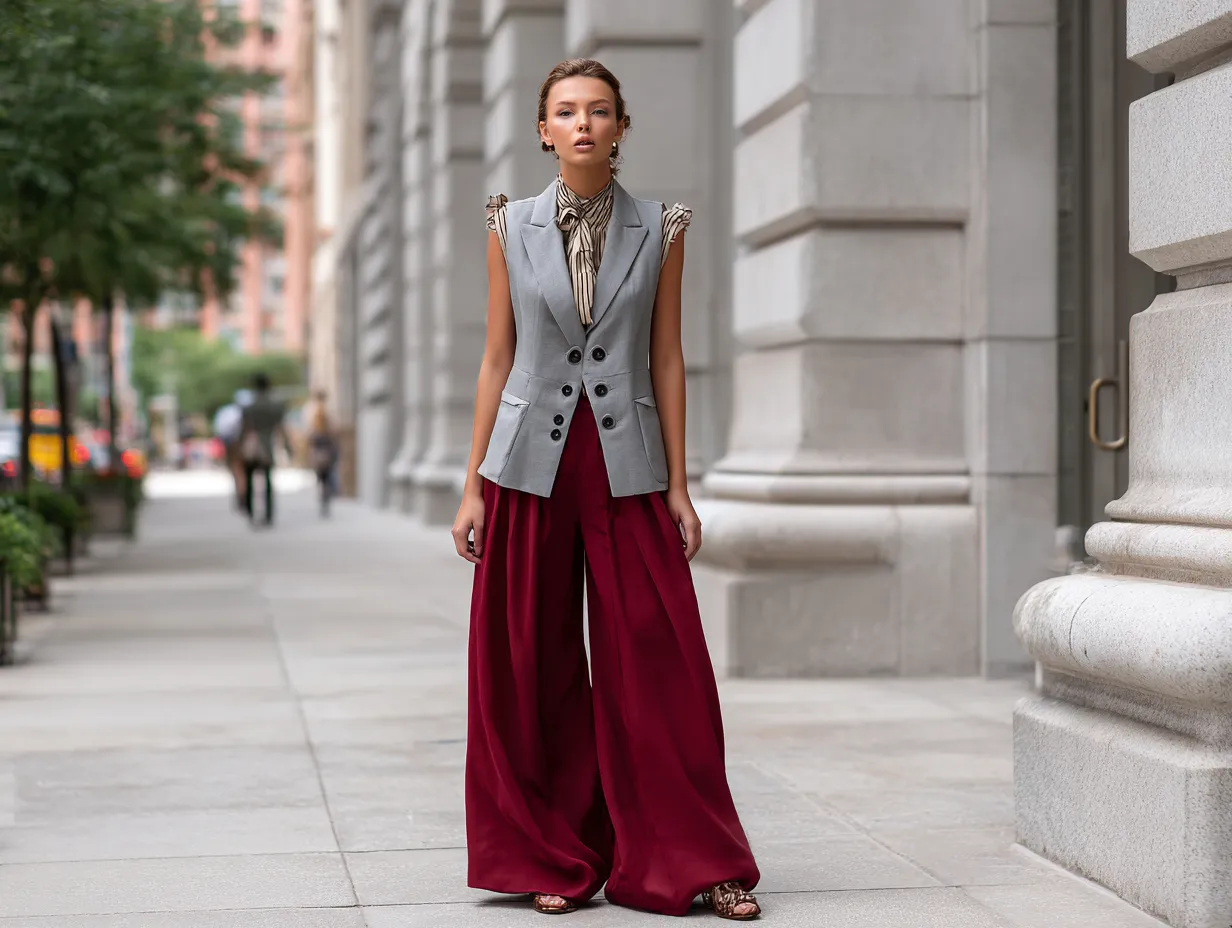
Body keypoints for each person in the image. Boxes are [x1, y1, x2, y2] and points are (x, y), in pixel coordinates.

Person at [451, 59, 760, 920]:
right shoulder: (508, 224)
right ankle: (550, 855)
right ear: (543, 129)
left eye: (598, 111)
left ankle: (697, 861)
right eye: (565, 112)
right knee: (529, 663)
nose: (582, 124)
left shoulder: (662, 227)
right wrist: (472, 487)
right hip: (525, 468)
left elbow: (666, 359)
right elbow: (496, 358)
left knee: (660, 665)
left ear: (622, 126)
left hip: (626, 464)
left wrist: (681, 488)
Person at [238, 373, 289, 527]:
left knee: (249, 481)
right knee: (267, 481)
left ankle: (251, 512)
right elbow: (281, 428)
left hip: (252, 446)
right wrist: (287, 446)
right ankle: (268, 515)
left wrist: (241, 446)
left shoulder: (249, 406)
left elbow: (244, 428)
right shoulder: (275, 406)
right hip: (267, 446)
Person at [213, 389, 252, 511]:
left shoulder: (228, 412)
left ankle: (242, 495)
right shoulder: (242, 413)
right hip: (240, 445)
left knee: (237, 471)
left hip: (234, 444)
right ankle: (243, 495)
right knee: (242, 472)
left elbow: (219, 429)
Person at [307, 404, 339, 517]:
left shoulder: (316, 431)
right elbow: (334, 445)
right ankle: (325, 501)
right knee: (325, 481)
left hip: (319, 461)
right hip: (326, 460)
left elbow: (311, 444)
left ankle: (323, 501)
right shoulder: (327, 431)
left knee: (321, 482)